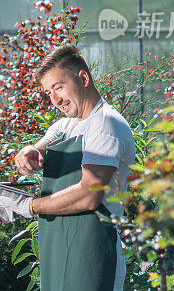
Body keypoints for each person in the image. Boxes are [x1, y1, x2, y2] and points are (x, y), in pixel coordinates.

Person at [14, 44, 135, 291]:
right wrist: (30, 154)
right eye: (48, 92)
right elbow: (42, 147)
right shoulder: (68, 125)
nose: (55, 99)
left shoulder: (106, 125)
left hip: (94, 253)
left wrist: (29, 206)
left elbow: (90, 195)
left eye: (58, 87)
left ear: (83, 78)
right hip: (60, 246)